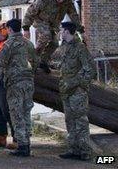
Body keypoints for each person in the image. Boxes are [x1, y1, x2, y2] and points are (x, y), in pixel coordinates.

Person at [53, 21, 96, 161]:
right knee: (69, 121)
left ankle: (85, 152)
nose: (60, 32)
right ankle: (73, 149)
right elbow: (63, 65)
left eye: (61, 30)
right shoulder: (64, 47)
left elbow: (90, 69)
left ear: (67, 31)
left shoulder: (80, 48)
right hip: (66, 90)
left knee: (81, 122)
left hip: (77, 92)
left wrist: (79, 85)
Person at [0, 18, 38, 157]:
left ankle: (22, 145)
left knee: (16, 114)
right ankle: (27, 142)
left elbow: (0, 63)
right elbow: (35, 62)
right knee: (26, 112)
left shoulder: (8, 44)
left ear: (9, 29)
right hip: (28, 82)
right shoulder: (29, 44)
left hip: (15, 83)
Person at [22, 0, 82, 73]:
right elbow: (30, 12)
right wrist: (26, 28)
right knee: (46, 35)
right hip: (40, 21)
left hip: (53, 25)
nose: (60, 1)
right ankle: (33, 60)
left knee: (55, 44)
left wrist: (80, 29)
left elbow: (73, 15)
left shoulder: (67, 2)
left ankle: (43, 61)